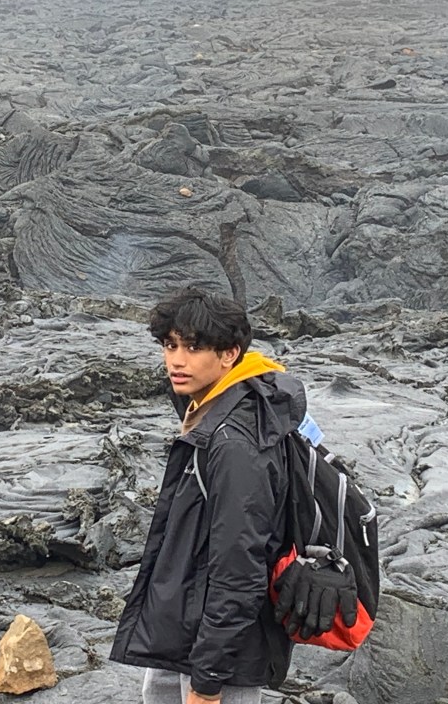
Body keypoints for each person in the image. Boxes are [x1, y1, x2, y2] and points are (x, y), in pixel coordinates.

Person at [110, 287, 306, 704]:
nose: (177, 361)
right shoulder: (213, 408)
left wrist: (208, 679)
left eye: (194, 348)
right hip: (184, 626)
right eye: (170, 345)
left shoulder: (236, 442)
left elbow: (240, 569)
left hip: (221, 650)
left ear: (229, 354)